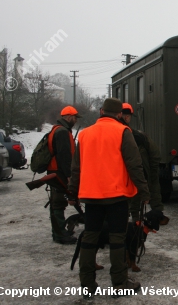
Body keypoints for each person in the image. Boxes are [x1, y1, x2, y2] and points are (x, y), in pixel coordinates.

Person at [68, 98, 150, 297]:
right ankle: (120, 283)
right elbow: (134, 164)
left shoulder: (85, 134)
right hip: (116, 195)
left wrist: (72, 191)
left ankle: (87, 284)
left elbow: (76, 167)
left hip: (91, 195)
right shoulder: (123, 132)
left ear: (101, 111)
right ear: (119, 114)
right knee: (117, 239)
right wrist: (144, 190)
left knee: (90, 237)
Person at [121, 103, 169, 225]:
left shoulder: (122, 133)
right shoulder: (137, 135)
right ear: (127, 117)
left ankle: (133, 217)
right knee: (144, 187)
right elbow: (155, 153)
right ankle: (142, 216)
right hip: (139, 169)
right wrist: (152, 170)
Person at [47, 106, 81, 245]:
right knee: (58, 203)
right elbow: (64, 156)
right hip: (59, 173)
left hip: (55, 172)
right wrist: (68, 175)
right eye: (74, 117)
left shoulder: (58, 129)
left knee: (57, 202)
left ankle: (59, 231)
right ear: (68, 117)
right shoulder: (62, 132)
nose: (75, 120)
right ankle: (60, 234)